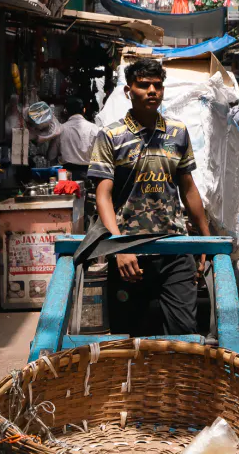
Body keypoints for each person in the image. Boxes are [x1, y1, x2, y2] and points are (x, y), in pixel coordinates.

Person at [88, 58, 211, 337]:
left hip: (174, 248)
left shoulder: (177, 133)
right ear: (128, 91)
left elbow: (188, 188)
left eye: (157, 85)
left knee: (184, 334)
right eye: (144, 85)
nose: (152, 90)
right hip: (130, 252)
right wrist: (118, 247)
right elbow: (103, 197)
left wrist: (205, 239)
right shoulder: (111, 136)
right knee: (131, 339)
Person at [58, 97, 99, 188]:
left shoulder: (61, 129)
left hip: (67, 175)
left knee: (68, 200)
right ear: (84, 110)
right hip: (89, 174)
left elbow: (51, 155)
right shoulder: (94, 128)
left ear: (66, 112)